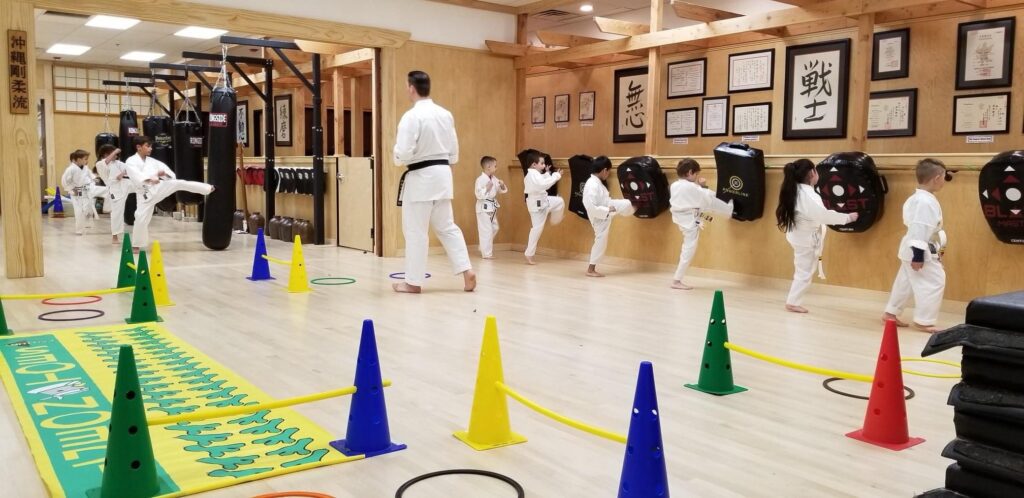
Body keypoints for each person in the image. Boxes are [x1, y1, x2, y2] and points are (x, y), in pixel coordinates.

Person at [392, 70, 476, 293]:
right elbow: (454, 152)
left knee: (416, 231)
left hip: (420, 178)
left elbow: (403, 153)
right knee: (447, 227)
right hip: (442, 175)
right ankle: (466, 270)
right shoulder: (445, 114)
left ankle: (413, 282)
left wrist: (397, 156)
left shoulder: (411, 117)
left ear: (411, 88)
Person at [775, 158, 858, 313]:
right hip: (805, 238)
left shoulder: (796, 190)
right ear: (812, 173)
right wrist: (847, 218)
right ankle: (793, 302)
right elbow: (823, 215)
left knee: (802, 269)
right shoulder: (808, 195)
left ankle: (793, 301)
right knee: (804, 271)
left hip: (797, 235)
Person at [882, 158, 949, 333]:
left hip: (911, 247)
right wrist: (918, 255)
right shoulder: (924, 202)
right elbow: (920, 228)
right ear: (936, 177)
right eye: (944, 176)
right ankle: (924, 321)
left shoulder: (919, 197)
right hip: (918, 249)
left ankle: (891, 313)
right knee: (934, 281)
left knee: (905, 282)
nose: (944, 180)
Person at [125, 136, 214, 249]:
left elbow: (170, 175)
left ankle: (207, 188)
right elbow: (136, 176)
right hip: (144, 194)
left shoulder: (153, 161)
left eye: (151, 146)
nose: (151, 148)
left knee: (178, 183)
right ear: (138, 147)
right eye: (147, 146)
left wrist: (163, 174)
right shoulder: (131, 161)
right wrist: (151, 178)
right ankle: (137, 245)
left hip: (158, 188)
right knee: (140, 218)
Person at [669, 158, 734, 290]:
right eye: (696, 174)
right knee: (689, 249)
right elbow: (705, 197)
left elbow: (697, 196)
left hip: (684, 217)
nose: (697, 176)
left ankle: (730, 209)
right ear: (690, 172)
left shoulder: (675, 185)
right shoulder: (692, 187)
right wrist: (703, 186)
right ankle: (676, 280)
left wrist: (701, 188)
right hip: (690, 220)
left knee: (688, 247)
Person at [582, 156, 634, 277]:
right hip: (599, 216)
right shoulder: (592, 185)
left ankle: (637, 206)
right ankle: (591, 269)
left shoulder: (596, 182)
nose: (608, 175)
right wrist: (606, 210)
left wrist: (609, 207)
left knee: (627, 203)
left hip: (605, 208)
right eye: (609, 172)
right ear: (604, 170)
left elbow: (602, 200)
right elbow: (590, 206)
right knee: (601, 240)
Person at [523, 150, 565, 265]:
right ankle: (529, 254)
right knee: (537, 230)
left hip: (544, 201)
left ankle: (554, 220)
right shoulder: (531, 175)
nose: (543, 165)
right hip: (537, 206)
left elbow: (542, 181)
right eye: (541, 163)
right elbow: (543, 185)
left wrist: (546, 173)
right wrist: (556, 176)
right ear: (534, 164)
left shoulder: (535, 174)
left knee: (559, 201)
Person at [61, 149, 104, 235]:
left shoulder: (85, 167)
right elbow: (64, 181)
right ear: (78, 159)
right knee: (79, 211)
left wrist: (94, 178)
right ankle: (79, 230)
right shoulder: (71, 169)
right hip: (77, 191)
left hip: (88, 188)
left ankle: (88, 223)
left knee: (88, 208)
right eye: (85, 159)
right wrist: (72, 189)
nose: (87, 161)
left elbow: (90, 175)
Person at [96, 144, 130, 244]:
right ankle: (115, 236)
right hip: (115, 190)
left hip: (125, 184)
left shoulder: (117, 163)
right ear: (105, 154)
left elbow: (129, 169)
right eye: (112, 153)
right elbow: (106, 162)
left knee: (144, 185)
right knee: (117, 213)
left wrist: (123, 173)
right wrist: (115, 151)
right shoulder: (100, 164)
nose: (116, 155)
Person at [475, 155, 507, 259]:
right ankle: (487, 254)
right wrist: (486, 188)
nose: (496, 168)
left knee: (494, 227)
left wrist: (502, 185)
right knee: (486, 230)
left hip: (491, 207)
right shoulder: (480, 180)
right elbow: (478, 195)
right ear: (488, 166)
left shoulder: (493, 178)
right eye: (495, 166)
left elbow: (501, 190)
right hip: (483, 207)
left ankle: (483, 246)